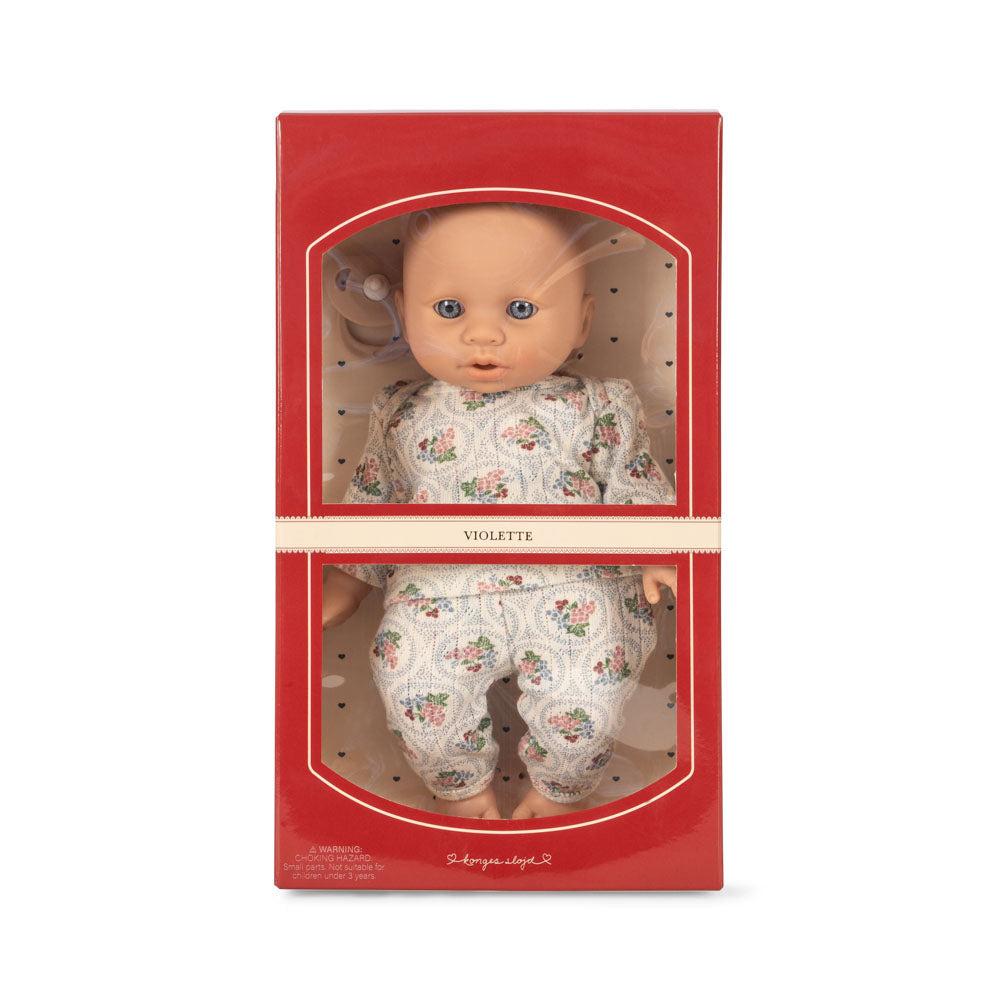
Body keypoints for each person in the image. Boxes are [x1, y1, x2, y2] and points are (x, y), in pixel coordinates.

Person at [324, 202, 676, 819]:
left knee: (590, 696)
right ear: (404, 311)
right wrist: (348, 580)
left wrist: (656, 550)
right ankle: (459, 790)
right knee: (411, 684)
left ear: (582, 321)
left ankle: (561, 789)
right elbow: (377, 496)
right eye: (449, 309)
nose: (482, 335)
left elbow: (633, 480)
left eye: (519, 310)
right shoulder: (401, 410)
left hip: (575, 588)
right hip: (437, 591)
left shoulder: (598, 404)